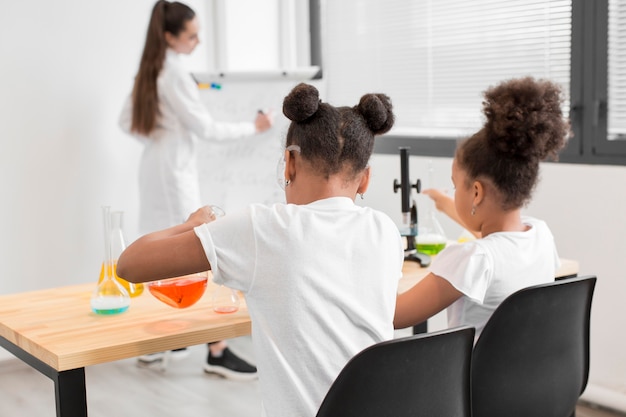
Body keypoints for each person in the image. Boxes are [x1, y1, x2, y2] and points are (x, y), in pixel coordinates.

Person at [117, 83, 403, 417]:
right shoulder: (385, 231)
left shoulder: (265, 228)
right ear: (365, 179)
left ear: (289, 164)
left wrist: (192, 224)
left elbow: (129, 264)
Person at [118, 0, 273, 380]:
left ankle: (161, 348)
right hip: (174, 173)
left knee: (157, 248)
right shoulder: (173, 74)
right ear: (170, 36)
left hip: (155, 167)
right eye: (192, 35)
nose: (198, 42)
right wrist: (253, 128)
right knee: (199, 246)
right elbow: (206, 128)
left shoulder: (150, 70)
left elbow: (127, 122)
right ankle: (216, 351)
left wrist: (162, 138)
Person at [394, 76, 571, 339]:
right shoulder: (541, 235)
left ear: (476, 192)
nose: (453, 194)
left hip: (467, 380)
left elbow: (397, 315)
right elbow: (499, 244)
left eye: (455, 186)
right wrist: (446, 206)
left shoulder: (473, 259)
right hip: (517, 378)